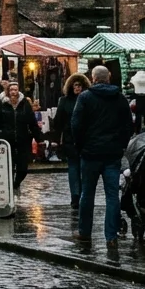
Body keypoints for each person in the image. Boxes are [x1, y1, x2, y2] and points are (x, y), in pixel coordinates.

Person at [71, 65, 133, 250]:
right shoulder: (120, 98)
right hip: (112, 153)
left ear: (93, 78)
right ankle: (111, 236)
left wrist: (81, 145)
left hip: (90, 153)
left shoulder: (85, 97)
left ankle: (84, 232)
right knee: (112, 195)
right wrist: (121, 144)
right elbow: (129, 125)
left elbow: (76, 124)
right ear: (109, 77)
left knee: (87, 194)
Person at [0, 80, 44, 193]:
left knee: (23, 168)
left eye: (16, 90)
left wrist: (39, 139)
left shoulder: (24, 104)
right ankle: (9, 188)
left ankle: (16, 183)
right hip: (6, 140)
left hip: (23, 139)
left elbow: (32, 122)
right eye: (11, 90)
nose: (13, 92)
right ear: (8, 91)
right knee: (9, 166)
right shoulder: (0, 103)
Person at [55, 73, 91, 209]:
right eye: (76, 85)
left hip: (85, 139)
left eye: (80, 85)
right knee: (73, 167)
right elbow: (59, 120)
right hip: (70, 138)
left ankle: (82, 194)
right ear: (71, 86)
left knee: (84, 167)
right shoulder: (64, 101)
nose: (78, 88)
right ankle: (75, 196)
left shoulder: (88, 100)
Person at [129, 69, 145, 134]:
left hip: (138, 97)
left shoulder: (133, 78)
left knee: (138, 115)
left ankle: (137, 131)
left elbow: (133, 88)